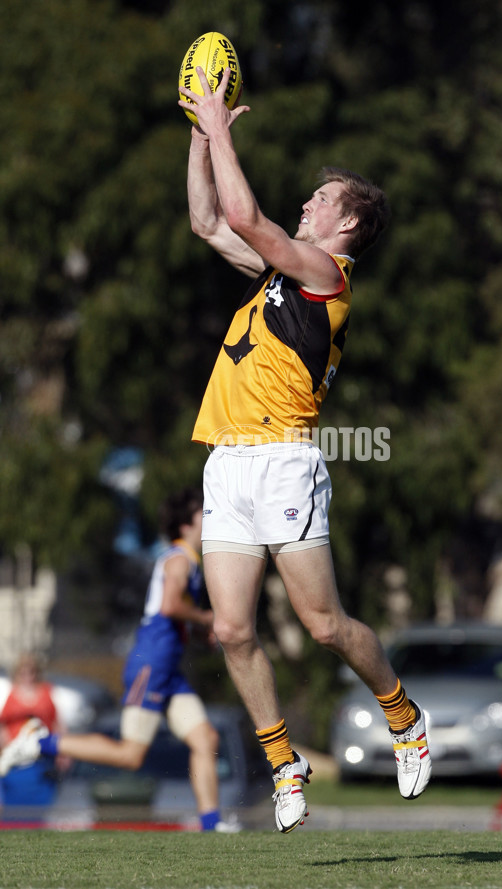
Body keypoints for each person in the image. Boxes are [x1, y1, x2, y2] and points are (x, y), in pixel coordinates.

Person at [175, 67, 432, 834]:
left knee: (323, 625)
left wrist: (224, 128)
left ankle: (402, 713)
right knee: (230, 629)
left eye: (322, 201)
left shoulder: (325, 275)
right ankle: (284, 760)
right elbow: (209, 222)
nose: (308, 203)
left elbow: (249, 217)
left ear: (346, 226)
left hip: (284, 460)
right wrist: (199, 136)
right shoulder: (277, 277)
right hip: (228, 462)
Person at [0, 488, 239, 833]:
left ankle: (211, 824)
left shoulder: (187, 560)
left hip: (168, 670)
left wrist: (202, 632)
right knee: (130, 755)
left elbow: (174, 612)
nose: (211, 518)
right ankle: (40, 743)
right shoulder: (179, 559)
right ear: (187, 522)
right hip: (151, 664)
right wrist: (207, 620)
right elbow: (170, 606)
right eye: (205, 513)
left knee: (205, 739)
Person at [0, 653, 67, 808]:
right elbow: (2, 725)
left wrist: (63, 751)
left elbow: (57, 722)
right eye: (23, 672)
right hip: (16, 758)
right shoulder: (8, 692)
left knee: (42, 804)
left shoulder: (47, 691)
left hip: (42, 756)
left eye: (32, 671)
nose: (28, 676)